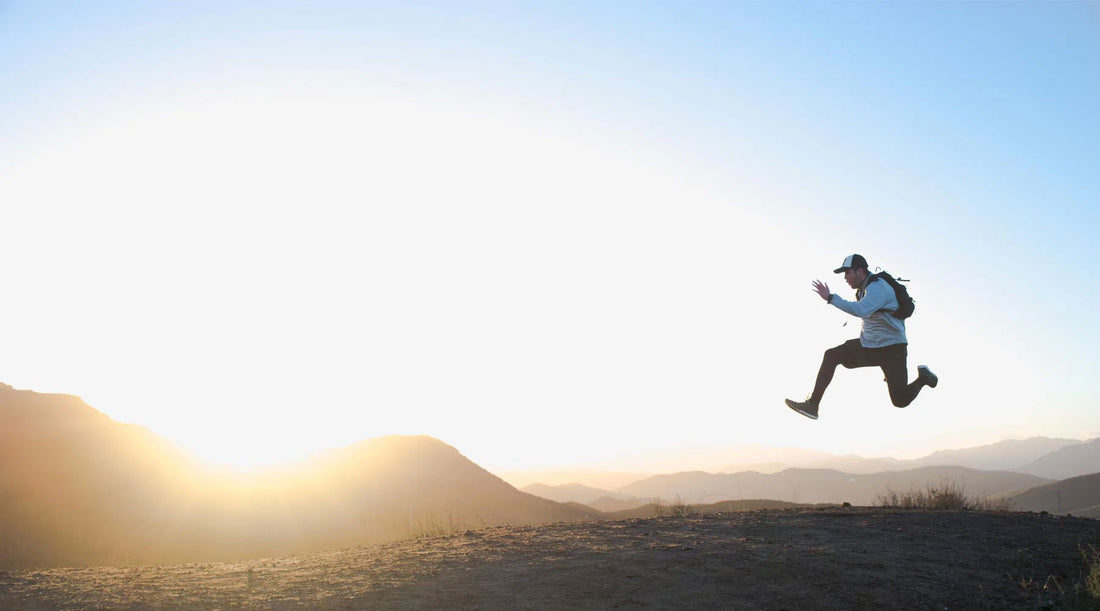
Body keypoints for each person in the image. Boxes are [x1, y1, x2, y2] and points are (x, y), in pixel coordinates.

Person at [785, 254, 937, 420]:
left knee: (900, 400)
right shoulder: (863, 290)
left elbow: (860, 310)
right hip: (869, 346)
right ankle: (813, 405)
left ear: (859, 271)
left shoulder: (878, 287)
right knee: (832, 355)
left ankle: (923, 378)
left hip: (892, 349)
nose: (845, 278)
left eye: (847, 272)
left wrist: (830, 298)